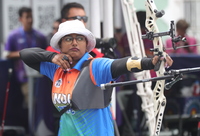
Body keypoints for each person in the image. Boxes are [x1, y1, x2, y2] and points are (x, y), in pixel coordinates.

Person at [19, 20, 173, 136]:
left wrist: (150, 62)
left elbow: (122, 64)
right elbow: (25, 55)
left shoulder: (96, 67)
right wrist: (51, 56)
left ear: (86, 45)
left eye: (79, 38)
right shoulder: (57, 69)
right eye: (68, 39)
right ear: (60, 45)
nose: (74, 42)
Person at [4, 6, 47, 109]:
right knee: (29, 104)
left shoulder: (39, 36)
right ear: (20, 19)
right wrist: (24, 54)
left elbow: (47, 53)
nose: (30, 20)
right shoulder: (13, 36)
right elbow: (6, 54)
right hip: (22, 76)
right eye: (27, 17)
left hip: (39, 76)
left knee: (39, 104)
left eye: (31, 17)